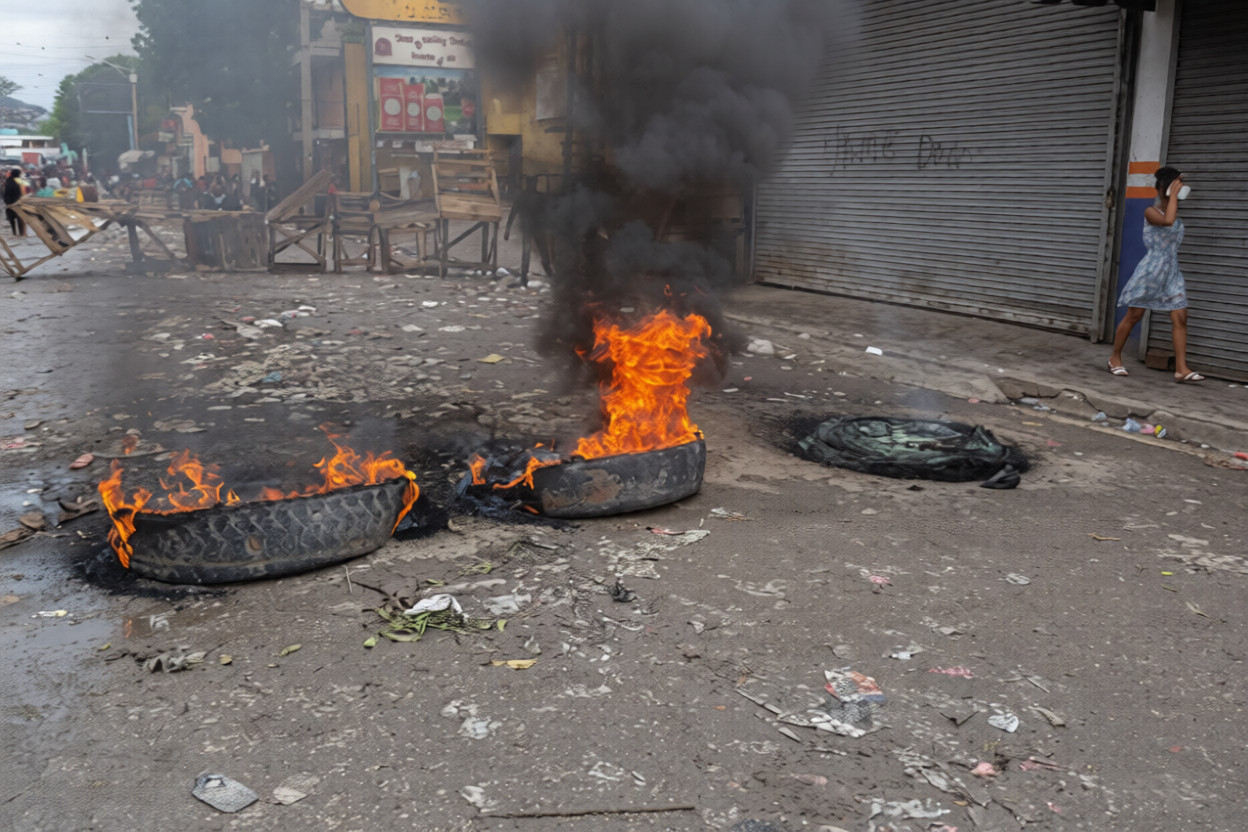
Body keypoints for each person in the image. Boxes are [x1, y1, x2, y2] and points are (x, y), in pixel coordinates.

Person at [1108, 166, 1204, 383]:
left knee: (1180, 315)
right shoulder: (1151, 212)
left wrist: (1175, 192)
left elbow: (1172, 221)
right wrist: (1173, 196)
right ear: (1163, 189)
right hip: (1152, 269)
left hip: (1171, 270)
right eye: (1173, 186)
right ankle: (1114, 358)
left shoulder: (1174, 213)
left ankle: (1181, 369)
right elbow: (1167, 221)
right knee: (1134, 315)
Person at [4, 168, 26, 237]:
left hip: (10, 205)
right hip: (18, 205)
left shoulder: (8, 182)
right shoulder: (20, 182)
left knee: (12, 223)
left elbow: (5, 194)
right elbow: (23, 194)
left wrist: (7, 204)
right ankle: (22, 236)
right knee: (21, 222)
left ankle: (14, 234)